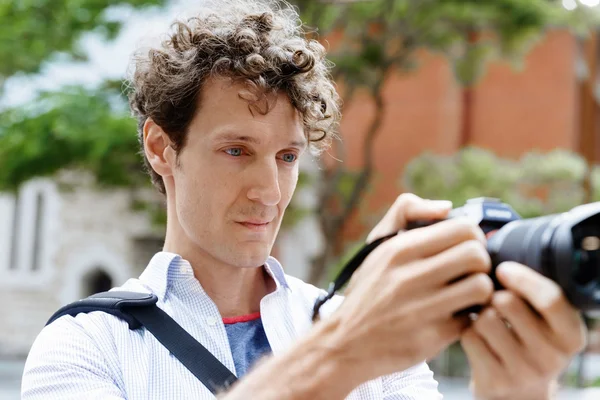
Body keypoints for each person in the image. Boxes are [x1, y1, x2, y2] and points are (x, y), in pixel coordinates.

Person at [21, 0, 586, 399]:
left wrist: (519, 391)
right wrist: (341, 355)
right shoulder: (86, 344)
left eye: (287, 157)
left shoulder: (357, 323)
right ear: (162, 148)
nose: (269, 191)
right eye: (237, 150)